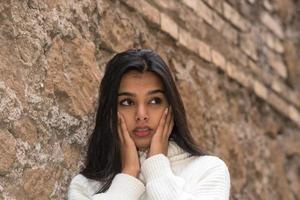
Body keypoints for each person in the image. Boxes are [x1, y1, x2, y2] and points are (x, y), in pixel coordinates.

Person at [68, 49, 230, 200]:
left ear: (170, 107)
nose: (141, 115)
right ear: (110, 111)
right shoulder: (85, 186)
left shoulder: (208, 171)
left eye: (154, 101)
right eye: (127, 102)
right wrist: (128, 175)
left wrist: (157, 167)